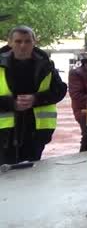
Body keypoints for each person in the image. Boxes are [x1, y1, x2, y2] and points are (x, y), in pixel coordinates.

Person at [0, 26, 67, 164]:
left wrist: (36, 99)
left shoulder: (46, 65)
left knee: (31, 172)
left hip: (36, 129)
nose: (23, 45)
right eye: (18, 41)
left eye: (27, 41)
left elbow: (60, 90)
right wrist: (12, 103)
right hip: (4, 131)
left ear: (34, 42)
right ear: (10, 42)